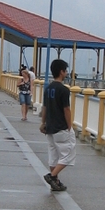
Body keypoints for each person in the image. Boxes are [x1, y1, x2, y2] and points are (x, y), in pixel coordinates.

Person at [40, 58, 75, 191]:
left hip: (50, 127)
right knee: (68, 155)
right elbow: (66, 109)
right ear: (61, 72)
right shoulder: (64, 90)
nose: (66, 73)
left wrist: (43, 123)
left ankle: (56, 182)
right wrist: (69, 126)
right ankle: (52, 176)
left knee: (53, 156)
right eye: (65, 71)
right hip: (61, 127)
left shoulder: (48, 88)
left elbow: (45, 107)